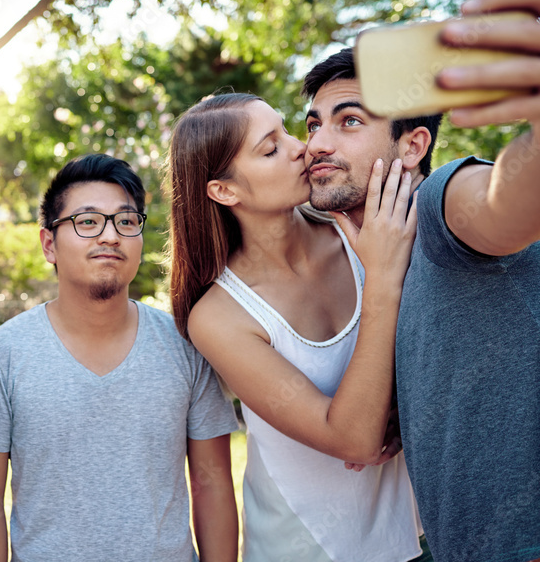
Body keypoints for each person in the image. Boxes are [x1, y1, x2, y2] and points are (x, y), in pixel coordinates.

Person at [302, 0, 540, 562]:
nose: (317, 144)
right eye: (312, 124)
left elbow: (505, 206)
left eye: (349, 121)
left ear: (413, 147)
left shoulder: (439, 200)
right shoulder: (378, 263)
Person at [168, 93, 427, 561]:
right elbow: (354, 439)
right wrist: (383, 284)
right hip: (307, 547)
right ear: (225, 191)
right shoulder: (219, 316)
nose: (300, 148)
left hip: (420, 534)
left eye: (289, 131)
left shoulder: (362, 226)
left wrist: (402, 411)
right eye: (270, 149)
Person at [0, 153, 240, 562]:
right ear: (49, 244)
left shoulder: (187, 345)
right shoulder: (1, 356)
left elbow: (212, 484)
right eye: (87, 222)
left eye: (126, 222)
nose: (110, 236)